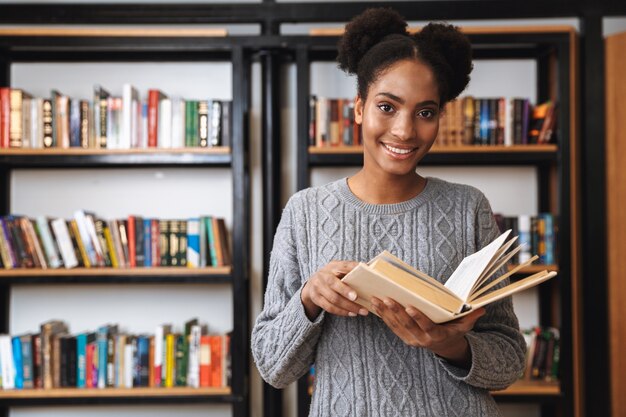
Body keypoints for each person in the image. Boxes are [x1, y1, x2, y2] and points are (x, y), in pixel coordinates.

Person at [252, 7, 526, 417]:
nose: (404, 130)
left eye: (425, 112)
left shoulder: (468, 207)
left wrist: (445, 343)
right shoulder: (305, 211)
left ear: (439, 118)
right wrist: (309, 299)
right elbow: (273, 367)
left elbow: (509, 359)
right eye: (387, 107)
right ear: (359, 107)